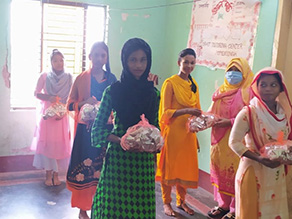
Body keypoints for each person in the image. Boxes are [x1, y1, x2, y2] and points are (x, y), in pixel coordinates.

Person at [90, 38, 160, 219]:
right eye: (133, 59)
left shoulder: (153, 94)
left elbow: (156, 126)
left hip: (143, 165)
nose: (138, 65)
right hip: (118, 163)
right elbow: (97, 129)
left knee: (140, 211)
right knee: (112, 210)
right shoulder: (113, 91)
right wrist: (120, 139)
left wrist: (157, 142)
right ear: (125, 61)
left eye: (143, 59)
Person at [229, 67, 292, 218]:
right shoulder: (249, 112)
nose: (268, 89)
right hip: (253, 170)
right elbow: (234, 142)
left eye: (273, 85)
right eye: (263, 85)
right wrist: (259, 158)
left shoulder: (284, 113)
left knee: (273, 212)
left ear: (280, 88)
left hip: (276, 173)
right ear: (256, 87)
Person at [66, 42, 117, 219]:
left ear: (106, 58)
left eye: (103, 55)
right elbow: (70, 105)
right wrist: (83, 103)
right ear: (90, 57)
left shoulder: (112, 80)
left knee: (103, 170)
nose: (99, 59)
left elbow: (118, 105)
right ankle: (83, 209)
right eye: (96, 55)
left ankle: (101, 206)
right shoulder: (81, 78)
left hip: (105, 133)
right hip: (85, 133)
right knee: (84, 170)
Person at [155, 48, 202, 217]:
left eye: (192, 63)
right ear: (179, 62)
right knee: (170, 169)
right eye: (186, 62)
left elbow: (198, 111)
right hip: (173, 133)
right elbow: (165, 113)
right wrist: (186, 110)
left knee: (185, 169)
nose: (189, 66)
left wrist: (198, 130)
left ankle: (181, 202)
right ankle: (166, 203)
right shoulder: (170, 83)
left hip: (188, 135)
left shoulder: (193, 84)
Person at [207, 58, 254, 219]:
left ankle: (235, 209)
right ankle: (223, 205)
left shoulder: (249, 92)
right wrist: (203, 120)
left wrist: (230, 122)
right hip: (219, 142)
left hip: (237, 142)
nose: (232, 74)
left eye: (237, 70)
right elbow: (211, 111)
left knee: (236, 175)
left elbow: (251, 116)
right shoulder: (220, 91)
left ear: (245, 73)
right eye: (230, 70)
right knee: (221, 173)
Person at [31, 49, 72, 186]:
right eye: (55, 60)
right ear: (51, 62)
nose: (59, 63)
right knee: (48, 145)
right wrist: (49, 97)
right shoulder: (44, 76)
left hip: (61, 116)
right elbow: (36, 94)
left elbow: (70, 98)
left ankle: (57, 174)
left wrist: (64, 112)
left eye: (61, 60)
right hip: (48, 116)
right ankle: (48, 174)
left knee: (59, 145)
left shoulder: (68, 77)